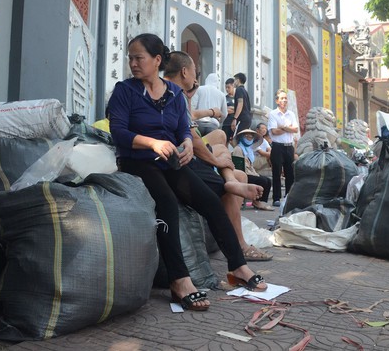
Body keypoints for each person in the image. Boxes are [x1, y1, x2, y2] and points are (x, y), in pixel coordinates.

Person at [107, 34, 267, 311]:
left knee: (209, 202)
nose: (132, 63)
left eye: (138, 58)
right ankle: (179, 281)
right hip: (138, 160)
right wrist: (152, 142)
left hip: (171, 160)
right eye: (130, 58)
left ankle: (238, 267)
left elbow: (183, 128)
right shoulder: (125, 91)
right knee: (166, 203)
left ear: (157, 60)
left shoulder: (173, 93)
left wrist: (186, 145)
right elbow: (118, 132)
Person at [164, 54, 272, 261]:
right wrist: (215, 161)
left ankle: (231, 181)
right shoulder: (170, 92)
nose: (197, 74)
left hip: (190, 143)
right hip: (181, 153)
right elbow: (193, 138)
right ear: (185, 72)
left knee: (221, 137)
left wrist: (196, 100)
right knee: (235, 171)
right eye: (194, 69)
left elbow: (190, 120)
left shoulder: (177, 93)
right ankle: (240, 244)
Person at [267, 89, 299, 208]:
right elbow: (274, 132)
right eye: (282, 98)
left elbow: (295, 129)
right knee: (276, 172)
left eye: (285, 98)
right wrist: (288, 128)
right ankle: (276, 198)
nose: (284, 100)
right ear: (277, 101)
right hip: (277, 147)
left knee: (290, 173)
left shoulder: (291, 114)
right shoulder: (273, 114)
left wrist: (283, 127)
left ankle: (288, 197)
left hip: (289, 147)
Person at [232, 129, 274, 211]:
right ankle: (256, 202)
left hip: (250, 172)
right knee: (262, 181)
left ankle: (258, 201)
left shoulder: (249, 149)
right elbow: (239, 166)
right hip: (243, 174)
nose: (249, 138)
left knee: (268, 180)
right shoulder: (238, 149)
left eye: (251, 137)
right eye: (247, 136)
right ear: (242, 138)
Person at [231, 73, 252, 138]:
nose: (233, 83)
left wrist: (235, 118)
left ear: (238, 80)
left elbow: (240, 104)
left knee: (237, 139)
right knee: (242, 139)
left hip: (242, 119)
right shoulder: (245, 91)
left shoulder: (239, 90)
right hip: (248, 119)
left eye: (234, 80)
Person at [221, 78, 236, 143]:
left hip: (235, 124)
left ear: (233, 86)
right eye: (226, 87)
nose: (227, 89)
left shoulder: (237, 98)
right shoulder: (224, 98)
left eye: (228, 87)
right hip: (226, 123)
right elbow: (224, 110)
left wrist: (232, 108)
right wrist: (234, 109)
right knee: (225, 142)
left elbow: (240, 109)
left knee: (234, 142)